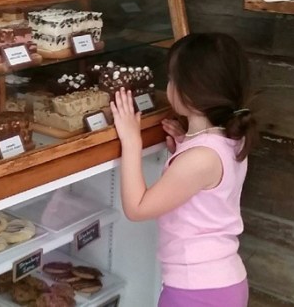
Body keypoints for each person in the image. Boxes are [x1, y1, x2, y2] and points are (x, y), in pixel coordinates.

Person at [109, 33, 256, 307]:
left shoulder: (200, 158)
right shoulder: (232, 137)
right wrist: (185, 141)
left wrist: (131, 140)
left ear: (192, 90)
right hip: (221, 283)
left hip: (197, 291)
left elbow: (137, 208)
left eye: (173, 79)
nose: (169, 86)